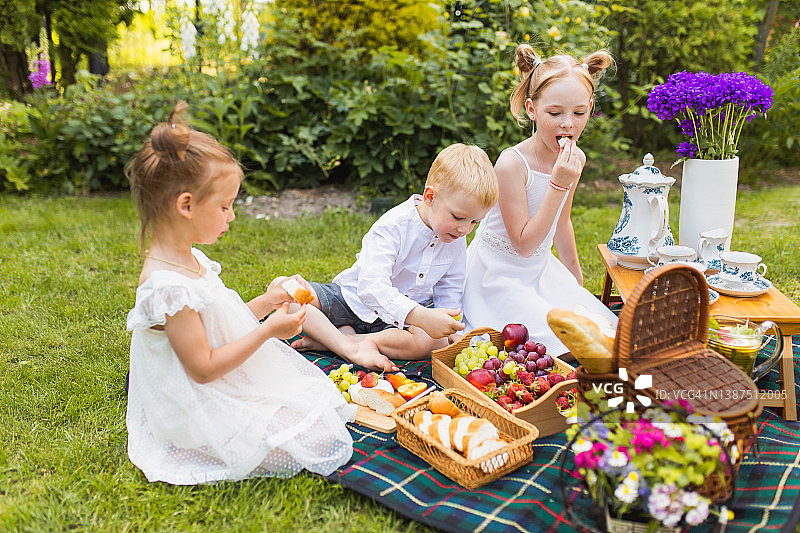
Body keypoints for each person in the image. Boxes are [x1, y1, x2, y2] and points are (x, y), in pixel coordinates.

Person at [124, 102, 359, 485]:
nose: (231, 216)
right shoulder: (167, 289)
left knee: (318, 408)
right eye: (224, 206)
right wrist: (269, 331)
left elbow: (220, 323)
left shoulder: (190, 259)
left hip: (218, 382)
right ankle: (195, 444)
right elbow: (202, 368)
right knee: (314, 436)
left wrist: (268, 303)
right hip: (192, 403)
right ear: (186, 205)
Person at [462, 46, 618, 357]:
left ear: (589, 107)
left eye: (578, 113)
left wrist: (575, 278)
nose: (568, 125)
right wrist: (558, 183)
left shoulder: (575, 158)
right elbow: (523, 244)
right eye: (555, 113)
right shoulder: (512, 164)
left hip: (540, 270)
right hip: (498, 274)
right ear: (532, 109)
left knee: (602, 329)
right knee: (551, 341)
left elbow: (562, 221)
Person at [291, 143, 499, 360]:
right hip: (351, 301)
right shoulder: (394, 225)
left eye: (475, 221)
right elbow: (370, 287)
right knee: (286, 292)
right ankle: (344, 341)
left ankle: (342, 340)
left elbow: (450, 288)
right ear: (430, 197)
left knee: (434, 344)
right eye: (458, 217)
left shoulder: (456, 237)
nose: (465, 229)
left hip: (392, 325)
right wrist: (418, 316)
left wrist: (451, 327)